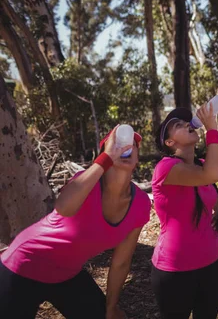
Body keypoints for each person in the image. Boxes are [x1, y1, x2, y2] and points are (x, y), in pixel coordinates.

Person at [0, 126, 151, 318]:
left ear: (137, 157)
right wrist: (105, 160)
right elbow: (63, 207)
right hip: (24, 263)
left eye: (133, 145)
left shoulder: (140, 203)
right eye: (116, 144)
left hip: (67, 273)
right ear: (105, 154)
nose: (125, 147)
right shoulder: (85, 183)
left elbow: (121, 262)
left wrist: (111, 307)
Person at [151, 104, 218, 319]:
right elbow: (213, 175)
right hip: (175, 271)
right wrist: (212, 127)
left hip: (214, 262)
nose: (186, 123)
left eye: (186, 121)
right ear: (169, 142)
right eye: (177, 125)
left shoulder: (202, 164)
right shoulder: (165, 168)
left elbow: (212, 194)